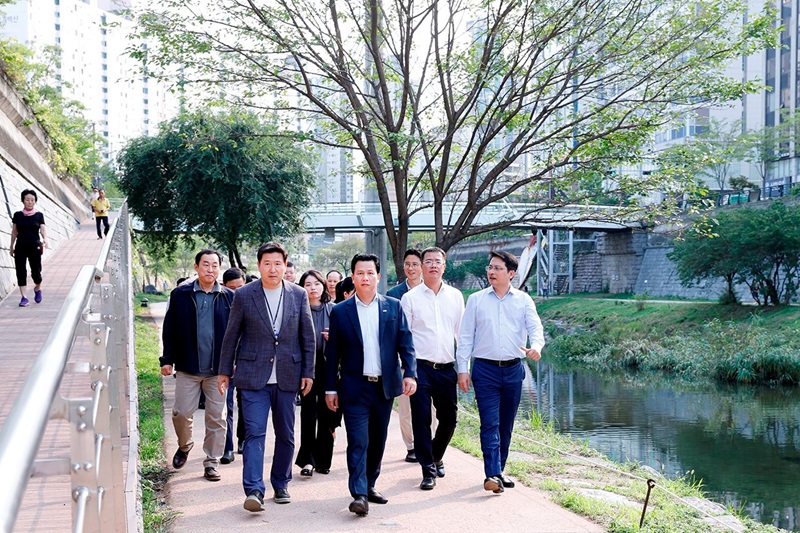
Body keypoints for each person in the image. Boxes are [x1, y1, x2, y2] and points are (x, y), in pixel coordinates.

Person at [218, 242, 315, 513]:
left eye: (278, 264)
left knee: (286, 434)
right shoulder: (245, 295)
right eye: (267, 264)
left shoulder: (298, 294)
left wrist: (308, 372)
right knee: (254, 433)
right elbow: (231, 336)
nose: (273, 269)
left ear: (286, 265)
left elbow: (307, 337)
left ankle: (281, 483)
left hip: (288, 375)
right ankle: (254, 490)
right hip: (252, 377)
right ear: (259, 265)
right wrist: (225, 371)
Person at [325, 253, 416, 517]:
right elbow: (333, 355)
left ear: (378, 276)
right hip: (354, 387)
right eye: (360, 273)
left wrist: (410, 373)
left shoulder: (393, 306)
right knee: (358, 440)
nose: (365, 277)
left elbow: (406, 344)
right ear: (352, 277)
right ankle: (359, 494)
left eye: (370, 273)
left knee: (378, 439)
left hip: (384, 387)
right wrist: (331, 388)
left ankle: (371, 483)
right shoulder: (341, 312)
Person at [456, 251, 544, 494]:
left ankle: (498, 470)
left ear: (511, 274)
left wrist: (536, 348)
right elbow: (465, 337)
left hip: (514, 370)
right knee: (490, 423)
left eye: (497, 268)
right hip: (484, 370)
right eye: (490, 267)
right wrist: (462, 369)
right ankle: (491, 473)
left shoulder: (523, 300)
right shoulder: (475, 299)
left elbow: (535, 328)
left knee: (506, 425)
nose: (491, 272)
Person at [160, 250, 234, 483]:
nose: (210, 269)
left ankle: (211, 462)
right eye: (205, 265)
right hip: (188, 368)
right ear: (196, 267)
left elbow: (237, 334)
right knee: (181, 412)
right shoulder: (181, 295)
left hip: (218, 371)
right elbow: (169, 328)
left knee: (217, 417)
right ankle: (185, 445)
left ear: (219, 269)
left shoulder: (229, 297)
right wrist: (167, 360)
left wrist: (233, 364)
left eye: (214, 265)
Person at [401, 247, 464, 490]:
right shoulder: (411, 298)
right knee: (422, 419)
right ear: (422, 266)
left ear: (444, 266)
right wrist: (407, 371)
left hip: (447, 367)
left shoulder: (456, 296)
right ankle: (427, 470)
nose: (433, 266)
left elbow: (462, 335)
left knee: (449, 418)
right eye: (428, 262)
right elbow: (405, 339)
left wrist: (464, 368)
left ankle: (436, 455)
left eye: (438, 262)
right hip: (420, 368)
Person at [294, 270, 340, 477]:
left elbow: (347, 342)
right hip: (306, 370)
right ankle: (307, 461)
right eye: (307, 284)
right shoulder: (297, 310)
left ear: (324, 286)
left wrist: (334, 341)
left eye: (316, 284)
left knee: (328, 415)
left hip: (330, 370)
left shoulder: (335, 310)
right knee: (308, 415)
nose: (313, 288)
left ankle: (324, 460)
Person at [386, 248, 423, 463]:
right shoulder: (394, 294)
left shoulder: (431, 292)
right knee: (406, 407)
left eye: (415, 264)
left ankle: (429, 442)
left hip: (427, 358)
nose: (410, 268)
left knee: (432, 409)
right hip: (402, 360)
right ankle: (411, 445)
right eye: (407, 264)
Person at [221, 267, 247, 465]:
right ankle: (227, 446)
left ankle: (243, 440)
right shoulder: (220, 304)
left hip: (247, 363)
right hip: (227, 365)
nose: (236, 292)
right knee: (226, 407)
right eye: (232, 288)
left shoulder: (251, 302)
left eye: (240, 287)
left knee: (246, 405)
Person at [9, 189, 48, 307]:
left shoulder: (39, 215)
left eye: (32, 200)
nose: (30, 202)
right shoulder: (18, 215)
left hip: (35, 246)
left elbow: (42, 229)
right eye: (27, 200)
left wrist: (45, 238)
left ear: (35, 201)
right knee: (20, 271)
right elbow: (14, 232)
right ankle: (24, 297)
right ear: (23, 201)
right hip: (20, 246)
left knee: (36, 272)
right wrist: (11, 246)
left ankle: (37, 288)